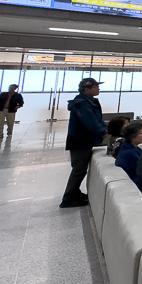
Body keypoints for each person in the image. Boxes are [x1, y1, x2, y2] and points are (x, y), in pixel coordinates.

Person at [60, 78, 107, 208]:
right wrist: (102, 131)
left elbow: (95, 120)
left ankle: (75, 193)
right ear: (87, 89)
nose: (98, 89)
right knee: (78, 170)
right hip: (80, 140)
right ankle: (68, 198)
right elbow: (91, 123)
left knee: (80, 169)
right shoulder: (82, 104)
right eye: (95, 87)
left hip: (83, 140)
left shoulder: (87, 101)